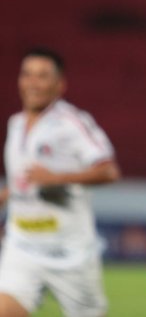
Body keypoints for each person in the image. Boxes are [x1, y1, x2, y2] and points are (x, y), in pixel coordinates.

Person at [0, 48, 121, 317]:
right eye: (27, 74)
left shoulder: (72, 123)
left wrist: (57, 179)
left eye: (42, 76)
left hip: (70, 254)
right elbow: (24, 179)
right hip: (22, 247)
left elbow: (108, 171)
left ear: (59, 85)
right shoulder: (16, 123)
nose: (33, 83)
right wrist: (7, 194)